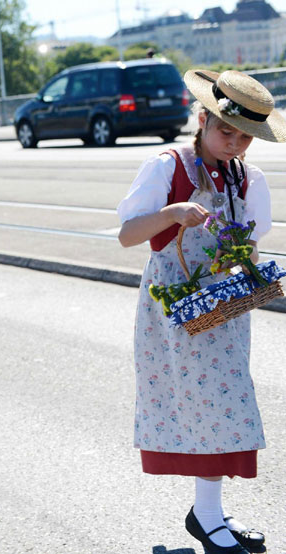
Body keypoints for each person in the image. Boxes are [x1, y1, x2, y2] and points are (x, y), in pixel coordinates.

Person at [117, 69, 285, 554]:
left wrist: (243, 261)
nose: (233, 143)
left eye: (244, 137)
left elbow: (250, 244)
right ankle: (208, 519)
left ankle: (208, 514)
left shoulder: (247, 177)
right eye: (224, 130)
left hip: (223, 306)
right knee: (208, 408)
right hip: (176, 306)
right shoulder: (168, 166)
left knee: (224, 409)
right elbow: (128, 235)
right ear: (202, 118)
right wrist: (171, 213)